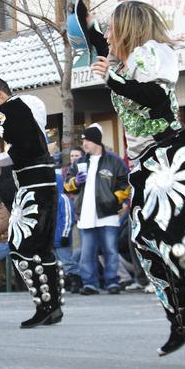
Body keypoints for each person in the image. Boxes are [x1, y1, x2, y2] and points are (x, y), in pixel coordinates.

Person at [90, 0, 185, 356]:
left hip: (172, 154)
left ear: (129, 28)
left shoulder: (153, 52)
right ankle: (181, 318)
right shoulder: (123, 63)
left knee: (161, 234)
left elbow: (155, 99)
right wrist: (85, 24)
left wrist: (113, 78)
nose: (107, 36)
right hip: (145, 163)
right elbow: (99, 48)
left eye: (111, 29)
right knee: (143, 241)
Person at [0, 76, 63, 328]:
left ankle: (46, 304)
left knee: (21, 245)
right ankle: (50, 305)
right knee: (40, 247)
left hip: (35, 186)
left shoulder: (14, 108)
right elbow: (29, 142)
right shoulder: (18, 109)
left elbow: (26, 142)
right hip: (37, 183)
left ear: (0, 95)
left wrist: (7, 154)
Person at [64, 124, 128, 295]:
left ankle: (112, 282)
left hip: (108, 214)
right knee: (87, 253)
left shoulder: (114, 161)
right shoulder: (79, 163)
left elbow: (125, 183)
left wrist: (115, 199)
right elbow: (67, 185)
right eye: (83, 140)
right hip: (85, 216)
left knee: (110, 251)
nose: (84, 143)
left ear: (96, 142)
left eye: (87, 140)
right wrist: (76, 182)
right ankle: (90, 284)